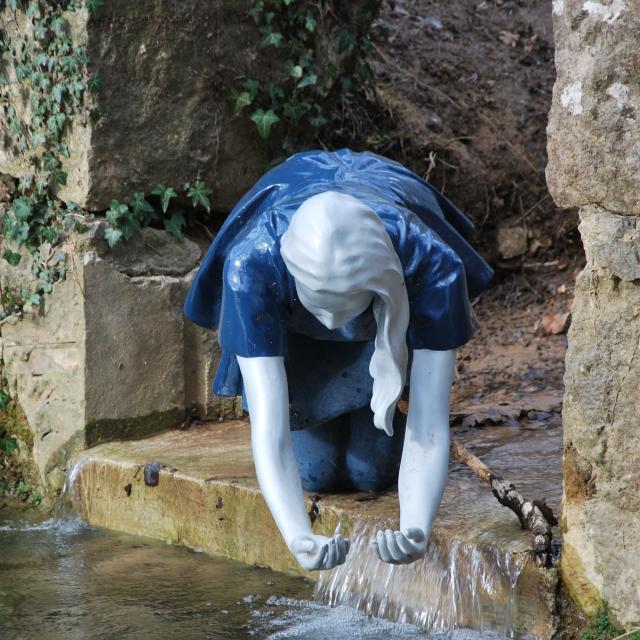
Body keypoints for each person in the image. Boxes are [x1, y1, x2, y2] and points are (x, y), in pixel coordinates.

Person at [184, 149, 493, 571]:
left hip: (380, 332)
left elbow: (431, 421)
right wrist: (297, 536)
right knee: (316, 475)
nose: (329, 319)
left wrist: (417, 526)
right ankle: (326, 405)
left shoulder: (432, 264)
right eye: (319, 306)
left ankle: (374, 404)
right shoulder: (250, 265)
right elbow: (269, 431)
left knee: (369, 473)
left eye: (342, 307)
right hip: (298, 343)